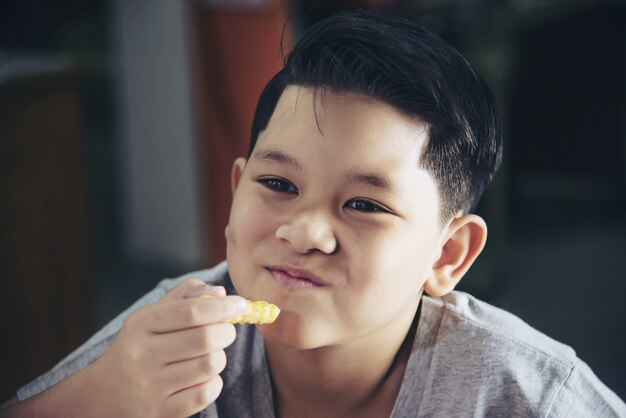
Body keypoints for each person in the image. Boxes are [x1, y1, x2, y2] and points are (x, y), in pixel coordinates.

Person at [2, 9, 625, 418]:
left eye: (363, 204)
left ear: (446, 254)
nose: (302, 232)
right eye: (277, 182)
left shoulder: (531, 395)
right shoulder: (175, 328)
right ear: (236, 191)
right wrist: (106, 392)